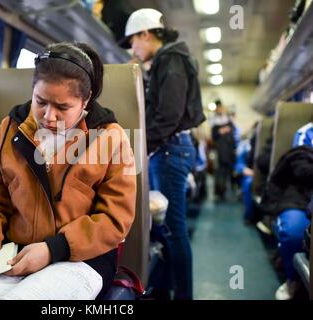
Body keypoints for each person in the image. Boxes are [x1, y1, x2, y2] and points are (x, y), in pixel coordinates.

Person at [0, 42, 136, 299]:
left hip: (81, 257)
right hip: (13, 252)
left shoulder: (110, 137)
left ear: (85, 100)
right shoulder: (10, 129)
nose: (48, 116)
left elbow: (116, 218)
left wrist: (54, 249)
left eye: (62, 108)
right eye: (40, 102)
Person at [120, 8, 205, 300]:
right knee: (165, 226)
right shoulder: (163, 62)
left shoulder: (171, 60)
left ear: (146, 33)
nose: (133, 48)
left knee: (173, 229)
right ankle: (164, 288)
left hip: (170, 151)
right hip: (168, 150)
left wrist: (141, 150)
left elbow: (168, 115)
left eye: (133, 40)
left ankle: (182, 294)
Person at [273, 122, 313, 299]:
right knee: (294, 233)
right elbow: (302, 168)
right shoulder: (306, 132)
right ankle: (292, 280)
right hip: (302, 193)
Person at [211, 100, 236, 200]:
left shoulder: (229, 121)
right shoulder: (215, 124)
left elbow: (233, 135)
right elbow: (214, 136)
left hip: (228, 151)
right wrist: (221, 131)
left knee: (226, 172)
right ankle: (219, 192)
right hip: (220, 151)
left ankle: (224, 191)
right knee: (219, 172)